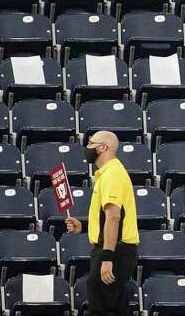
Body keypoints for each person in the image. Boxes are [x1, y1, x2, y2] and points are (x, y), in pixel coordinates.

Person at [65, 131, 139, 316]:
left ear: (103, 147)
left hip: (114, 251)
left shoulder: (112, 174)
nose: (88, 147)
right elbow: (107, 217)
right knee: (117, 308)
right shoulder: (109, 173)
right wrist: (84, 226)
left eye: (91, 143)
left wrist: (107, 257)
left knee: (101, 308)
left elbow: (114, 217)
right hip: (119, 249)